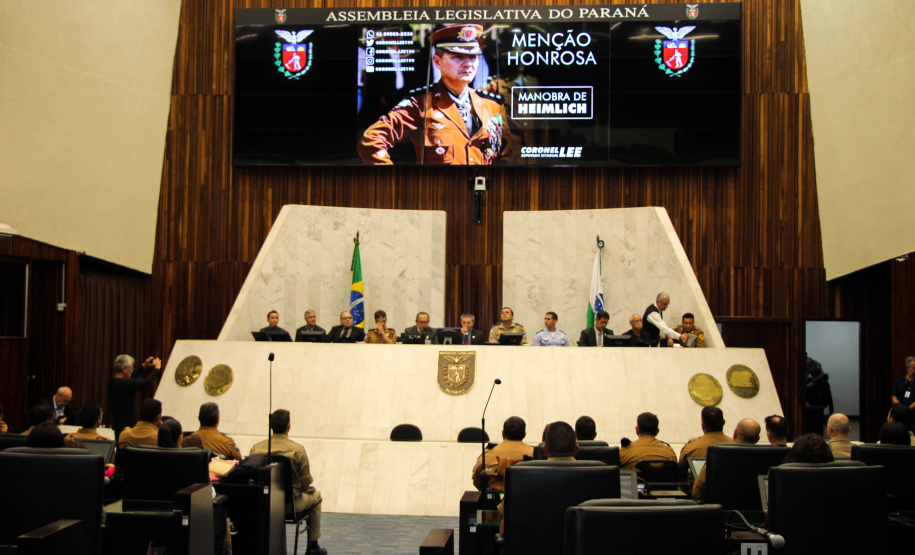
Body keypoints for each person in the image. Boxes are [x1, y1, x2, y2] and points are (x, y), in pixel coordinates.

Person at [358, 23, 512, 166]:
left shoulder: (493, 105)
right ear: (438, 62)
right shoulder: (420, 103)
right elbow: (372, 140)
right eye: (458, 56)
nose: (468, 64)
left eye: (472, 57)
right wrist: (398, 180)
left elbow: (505, 157)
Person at [250, 409, 327, 555]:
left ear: (270, 426)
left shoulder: (256, 449)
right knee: (316, 496)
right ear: (289, 426)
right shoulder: (298, 450)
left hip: (263, 505)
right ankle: (313, 546)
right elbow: (305, 483)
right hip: (290, 506)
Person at [692, 418, 761, 501]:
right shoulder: (766, 458)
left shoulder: (718, 455)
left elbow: (696, 494)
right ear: (758, 439)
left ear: (735, 433)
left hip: (721, 511)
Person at [471, 416, 535, 491]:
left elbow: (478, 480)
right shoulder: (535, 454)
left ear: (503, 433)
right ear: (524, 435)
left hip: (496, 502)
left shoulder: (489, 454)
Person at [108, 354, 161, 439]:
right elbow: (146, 382)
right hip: (125, 428)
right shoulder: (123, 384)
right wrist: (156, 369)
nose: (132, 370)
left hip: (120, 425)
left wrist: (143, 366)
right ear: (124, 369)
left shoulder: (114, 382)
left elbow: (131, 377)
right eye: (131, 368)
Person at [678, 406, 732, 478]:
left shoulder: (690, 448)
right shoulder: (736, 445)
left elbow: (681, 475)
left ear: (703, 425)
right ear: (723, 422)